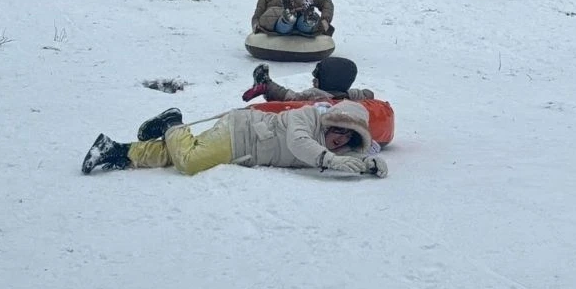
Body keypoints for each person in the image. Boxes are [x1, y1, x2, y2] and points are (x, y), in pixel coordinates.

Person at [81, 100, 388, 178]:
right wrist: (333, 161)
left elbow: (355, 159)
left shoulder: (337, 147)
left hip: (244, 149)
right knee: (189, 162)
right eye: (339, 130)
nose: (339, 140)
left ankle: (117, 151)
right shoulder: (306, 116)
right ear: (331, 121)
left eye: (348, 137)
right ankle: (172, 122)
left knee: (175, 154)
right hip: (239, 131)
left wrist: (371, 164)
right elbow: (298, 144)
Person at [239, 58, 375, 103]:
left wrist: (268, 88)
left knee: (291, 97)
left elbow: (290, 98)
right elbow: (368, 94)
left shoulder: (316, 95)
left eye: (317, 78)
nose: (313, 81)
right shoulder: (351, 97)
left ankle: (265, 84)